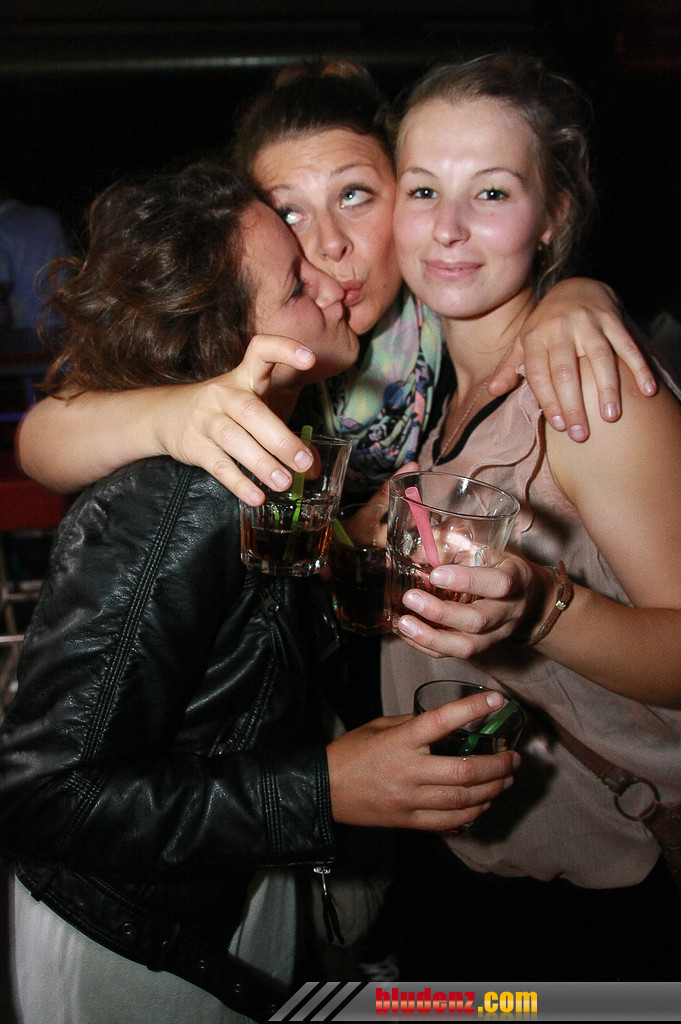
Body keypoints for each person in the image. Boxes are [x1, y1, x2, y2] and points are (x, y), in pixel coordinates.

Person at [0, 162, 519, 1024]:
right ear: (228, 344)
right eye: (295, 283)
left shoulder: (275, 453)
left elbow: (238, 661)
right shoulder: (180, 496)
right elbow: (39, 797)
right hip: (131, 944)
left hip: (221, 897)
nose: (332, 274)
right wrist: (322, 789)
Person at [15, 62, 656, 503]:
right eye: (289, 212)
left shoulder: (447, 312)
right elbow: (43, 437)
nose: (329, 244)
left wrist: (576, 293)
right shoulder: (249, 335)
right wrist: (174, 414)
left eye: (354, 195)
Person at [379, 53, 681, 979]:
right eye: (422, 189)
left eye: (491, 192)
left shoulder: (593, 398)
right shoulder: (430, 394)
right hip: (475, 871)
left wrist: (540, 606)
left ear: (552, 217)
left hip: (607, 906)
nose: (448, 227)